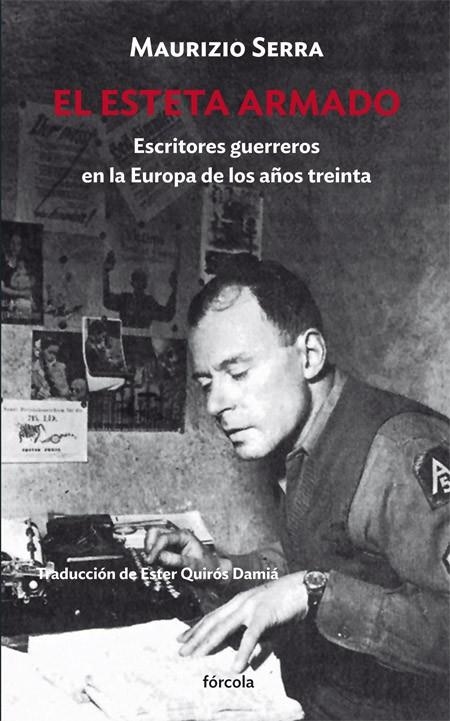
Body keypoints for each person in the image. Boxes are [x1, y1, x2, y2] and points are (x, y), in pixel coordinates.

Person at [145, 255, 449, 720]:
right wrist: (219, 567)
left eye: (237, 373)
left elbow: (313, 583)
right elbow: (318, 557)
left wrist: (314, 593)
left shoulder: (398, 453)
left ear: (309, 355)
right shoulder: (304, 438)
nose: (214, 404)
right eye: (206, 383)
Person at [103, 250, 177, 328]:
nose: (139, 283)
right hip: (125, 334)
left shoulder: (149, 302)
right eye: (136, 279)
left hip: (143, 335)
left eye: (142, 280)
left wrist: (174, 290)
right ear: (132, 283)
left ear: (145, 284)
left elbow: (167, 315)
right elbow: (107, 301)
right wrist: (105, 272)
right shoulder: (124, 299)